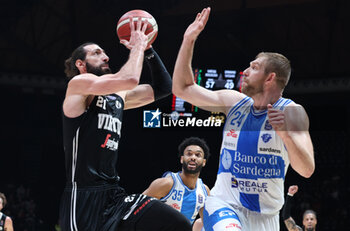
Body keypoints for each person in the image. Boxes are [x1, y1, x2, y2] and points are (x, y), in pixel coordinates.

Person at [172, 7, 315, 231]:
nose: (245, 71)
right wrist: (188, 40)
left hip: (266, 217)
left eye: (254, 67)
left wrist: (285, 135)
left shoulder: (292, 112)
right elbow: (182, 88)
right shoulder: (233, 102)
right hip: (224, 204)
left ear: (270, 78)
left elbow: (306, 169)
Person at [59, 17, 191, 231]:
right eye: (96, 53)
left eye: (104, 52)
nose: (105, 56)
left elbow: (164, 88)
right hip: (83, 197)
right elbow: (129, 78)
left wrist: (148, 50)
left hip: (115, 195)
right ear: (80, 64)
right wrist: (138, 43)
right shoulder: (78, 86)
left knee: (178, 223)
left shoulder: (117, 96)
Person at [143, 137, 210, 227]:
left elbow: (208, 222)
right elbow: (137, 209)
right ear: (182, 159)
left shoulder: (204, 191)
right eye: (189, 154)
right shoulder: (166, 184)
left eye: (197, 155)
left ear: (204, 162)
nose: (193, 157)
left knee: (200, 224)